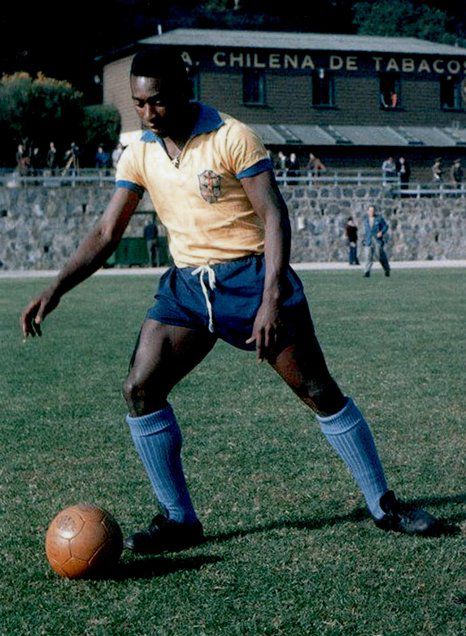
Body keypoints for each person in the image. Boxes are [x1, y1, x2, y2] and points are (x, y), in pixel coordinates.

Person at [21, 47, 442, 556]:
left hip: (250, 277)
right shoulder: (141, 150)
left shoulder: (231, 136)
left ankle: (384, 504)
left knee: (317, 390)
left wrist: (270, 299)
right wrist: (56, 288)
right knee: (140, 389)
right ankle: (179, 520)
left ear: (181, 91)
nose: (148, 114)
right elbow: (108, 230)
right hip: (187, 288)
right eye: (139, 105)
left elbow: (274, 216)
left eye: (156, 102)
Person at [362, 205, 391, 278]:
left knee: (379, 255)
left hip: (377, 240)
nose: (371, 212)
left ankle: (386, 269)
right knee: (368, 256)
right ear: (368, 212)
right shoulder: (366, 220)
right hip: (368, 241)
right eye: (370, 211)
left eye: (373, 211)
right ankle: (367, 272)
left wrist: (381, 232)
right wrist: (364, 239)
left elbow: (385, 226)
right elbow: (365, 231)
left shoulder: (379, 219)